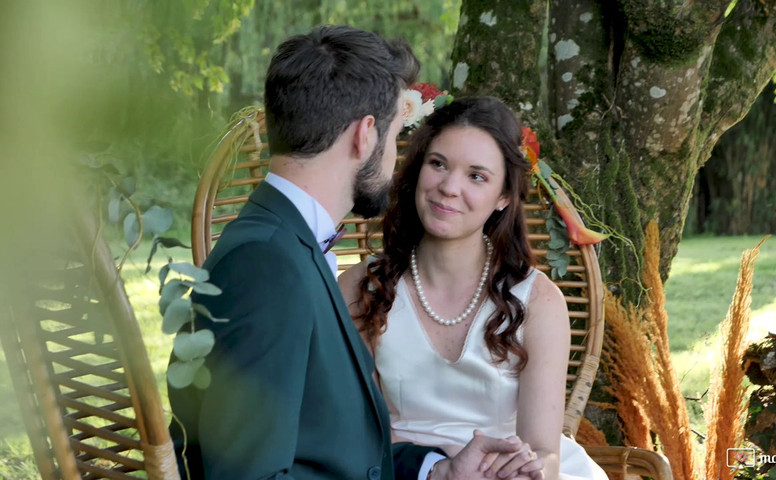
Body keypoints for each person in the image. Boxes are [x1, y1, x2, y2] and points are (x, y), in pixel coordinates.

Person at [168, 26, 543, 480]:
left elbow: (327, 447)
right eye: (391, 135)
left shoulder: (289, 244)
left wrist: (438, 472)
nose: (393, 156)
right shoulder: (266, 264)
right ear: (366, 135)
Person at [338, 97, 609, 480]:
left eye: (476, 176)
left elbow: (544, 451)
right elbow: (352, 428)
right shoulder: (362, 287)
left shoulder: (539, 301)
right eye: (438, 164)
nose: (448, 187)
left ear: (503, 197)